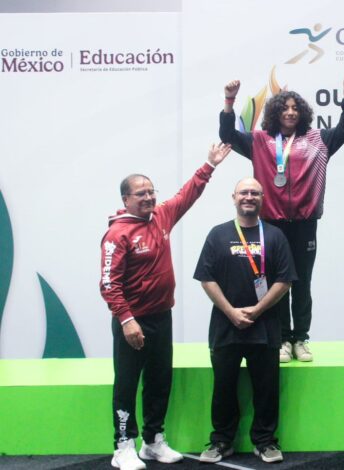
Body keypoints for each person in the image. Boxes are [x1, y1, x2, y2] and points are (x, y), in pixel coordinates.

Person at [100, 143, 232, 470]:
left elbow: (187, 195)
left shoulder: (161, 216)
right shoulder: (117, 234)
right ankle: (123, 446)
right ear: (126, 200)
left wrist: (209, 165)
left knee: (160, 382)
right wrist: (127, 320)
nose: (148, 197)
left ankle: (153, 440)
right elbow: (108, 284)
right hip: (133, 322)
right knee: (127, 384)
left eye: (151, 192)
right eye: (140, 194)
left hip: (162, 317)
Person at [220, 80, 344, 363]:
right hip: (272, 225)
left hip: (305, 224)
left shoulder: (318, 140)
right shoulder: (259, 141)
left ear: (302, 112)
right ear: (275, 112)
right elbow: (227, 135)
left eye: (295, 108)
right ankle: (282, 338)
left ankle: (301, 339)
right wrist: (229, 101)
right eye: (285, 108)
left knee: (302, 283)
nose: (291, 112)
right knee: (276, 283)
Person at [194, 178, 296, 464]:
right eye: (244, 192)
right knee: (223, 387)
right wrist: (231, 312)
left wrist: (257, 310)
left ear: (262, 198)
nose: (249, 197)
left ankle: (265, 442)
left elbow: (285, 280)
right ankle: (222, 441)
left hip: (265, 327)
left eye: (254, 193)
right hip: (226, 326)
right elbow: (206, 278)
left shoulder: (275, 236)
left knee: (266, 389)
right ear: (234, 197)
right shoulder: (218, 234)